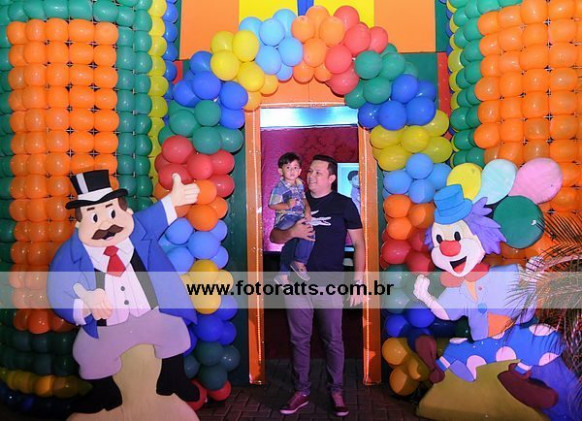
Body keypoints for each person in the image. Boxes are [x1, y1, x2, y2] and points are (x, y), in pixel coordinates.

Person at [48, 170, 201, 414]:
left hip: (152, 314)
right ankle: (105, 393)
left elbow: (160, 212)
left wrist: (175, 198)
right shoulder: (71, 253)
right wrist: (85, 302)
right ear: (78, 224)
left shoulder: (139, 229)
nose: (106, 224)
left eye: (111, 213)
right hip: (107, 326)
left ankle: (173, 377)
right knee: (87, 352)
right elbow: (58, 290)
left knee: (175, 330)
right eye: (94, 217)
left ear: (127, 211)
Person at [270, 155, 366, 417]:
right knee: (299, 339)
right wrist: (293, 233)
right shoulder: (295, 199)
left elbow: (359, 244)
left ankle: (336, 391)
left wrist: (358, 281)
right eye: (310, 171)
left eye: (318, 172)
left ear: (332, 178)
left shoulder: (343, 204)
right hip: (296, 282)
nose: (310, 176)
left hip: (329, 282)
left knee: (333, 339)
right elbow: (274, 235)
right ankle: (301, 391)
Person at [268, 152, 313, 282]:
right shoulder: (279, 187)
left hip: (298, 217)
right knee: (299, 235)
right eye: (288, 167)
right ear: (280, 171)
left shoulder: (300, 184)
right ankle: (297, 263)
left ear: (299, 171)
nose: (292, 171)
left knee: (308, 234)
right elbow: (272, 205)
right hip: (286, 218)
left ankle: (292, 267)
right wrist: (287, 205)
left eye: (295, 167)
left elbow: (303, 199)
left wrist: (308, 209)